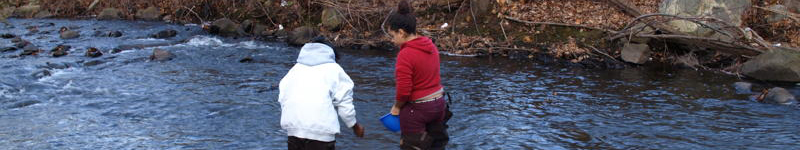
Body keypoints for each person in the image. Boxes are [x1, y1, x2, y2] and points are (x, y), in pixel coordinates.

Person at [279, 36, 364, 150]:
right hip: (321, 133)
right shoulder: (334, 69)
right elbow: (344, 105)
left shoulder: (294, 70)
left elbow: (283, 98)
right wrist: (354, 126)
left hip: (294, 131)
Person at [387, 1, 451, 149]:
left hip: (418, 110)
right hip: (439, 105)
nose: (392, 40)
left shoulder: (405, 54)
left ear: (401, 32)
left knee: (412, 145)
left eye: (393, 35)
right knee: (437, 146)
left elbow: (404, 90)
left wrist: (396, 107)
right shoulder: (431, 46)